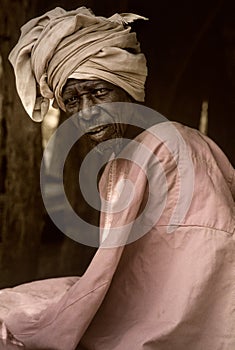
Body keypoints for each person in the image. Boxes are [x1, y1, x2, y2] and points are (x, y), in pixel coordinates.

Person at [0, 6, 234, 350]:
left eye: (98, 92)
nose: (87, 112)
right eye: (73, 100)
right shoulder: (126, 159)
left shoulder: (164, 148)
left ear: (126, 88)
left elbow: (201, 270)